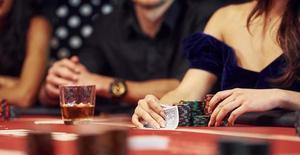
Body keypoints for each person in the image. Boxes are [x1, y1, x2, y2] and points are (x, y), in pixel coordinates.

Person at [39, 0, 243, 112]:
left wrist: (110, 86)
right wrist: (56, 85)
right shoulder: (108, 23)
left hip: (187, 131)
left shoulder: (206, 14)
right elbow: (77, 79)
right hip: (124, 129)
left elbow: (188, 88)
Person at [132, 0, 300, 128]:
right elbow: (189, 90)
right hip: (232, 149)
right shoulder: (225, 18)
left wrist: (280, 97)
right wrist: (156, 109)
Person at [0, 0, 51, 107]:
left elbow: (24, 96)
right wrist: (12, 83)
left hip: (22, 116)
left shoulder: (37, 25)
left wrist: (23, 88)